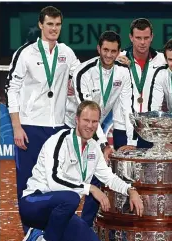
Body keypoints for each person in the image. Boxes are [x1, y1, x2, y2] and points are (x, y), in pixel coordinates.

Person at [16, 100, 144, 241]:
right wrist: (90, 188)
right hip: (34, 202)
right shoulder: (59, 141)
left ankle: (39, 235)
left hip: (61, 212)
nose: (90, 126)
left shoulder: (93, 148)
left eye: (94, 122)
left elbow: (108, 177)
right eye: (86, 120)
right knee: (71, 197)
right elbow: (54, 181)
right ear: (76, 119)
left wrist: (130, 190)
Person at [4, 6, 80, 234]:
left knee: (53, 180)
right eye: (49, 24)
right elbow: (12, 90)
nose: (54, 29)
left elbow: (82, 76)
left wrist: (117, 61)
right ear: (40, 25)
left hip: (57, 128)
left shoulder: (67, 52)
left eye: (57, 24)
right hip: (29, 127)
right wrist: (17, 127)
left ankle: (49, 231)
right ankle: (29, 232)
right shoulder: (25, 53)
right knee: (27, 182)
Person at [65, 30, 137, 227]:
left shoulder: (123, 72)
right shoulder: (83, 71)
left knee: (97, 174)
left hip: (94, 128)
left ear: (118, 52)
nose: (109, 55)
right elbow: (86, 114)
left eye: (114, 51)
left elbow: (127, 108)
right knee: (70, 178)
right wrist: (104, 144)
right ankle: (60, 228)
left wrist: (131, 142)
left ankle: (85, 227)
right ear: (98, 49)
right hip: (71, 125)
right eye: (105, 49)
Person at [117, 18, 166, 148]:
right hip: (123, 126)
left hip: (151, 127)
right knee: (122, 168)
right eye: (138, 38)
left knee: (151, 168)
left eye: (146, 38)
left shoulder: (162, 60)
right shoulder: (118, 58)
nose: (142, 42)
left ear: (152, 37)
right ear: (131, 37)